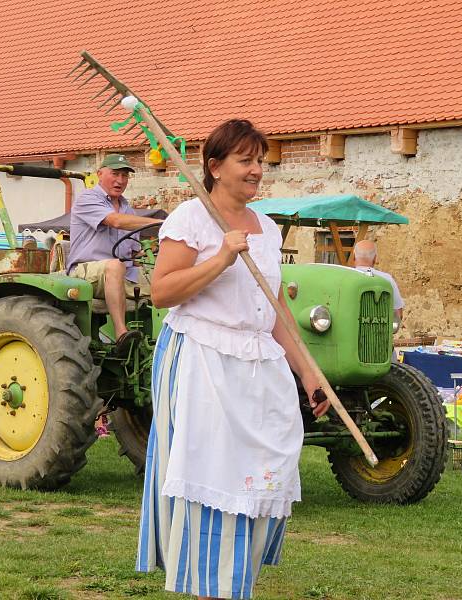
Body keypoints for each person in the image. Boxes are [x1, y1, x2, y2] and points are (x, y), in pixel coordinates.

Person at [136, 119, 330, 600]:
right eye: (246, 160)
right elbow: (161, 292)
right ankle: (208, 588)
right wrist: (220, 258)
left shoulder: (265, 227)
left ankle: (235, 583)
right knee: (210, 475)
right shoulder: (190, 218)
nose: (257, 170)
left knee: (263, 475)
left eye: (260, 161)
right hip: (203, 357)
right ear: (215, 167)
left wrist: (309, 373)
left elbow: (275, 308)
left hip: (257, 365)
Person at [67, 154, 163, 355]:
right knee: (114, 265)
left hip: (123, 274)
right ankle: (121, 334)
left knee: (167, 277)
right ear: (100, 174)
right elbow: (116, 222)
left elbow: (133, 253)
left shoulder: (127, 207)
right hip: (86, 273)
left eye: (125, 176)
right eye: (115, 174)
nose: (120, 180)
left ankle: (165, 341)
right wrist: (161, 223)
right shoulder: (88, 198)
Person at [353, 239, 404, 323]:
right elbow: (398, 314)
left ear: (354, 256)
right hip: (380, 332)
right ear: (375, 259)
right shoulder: (387, 279)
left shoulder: (344, 278)